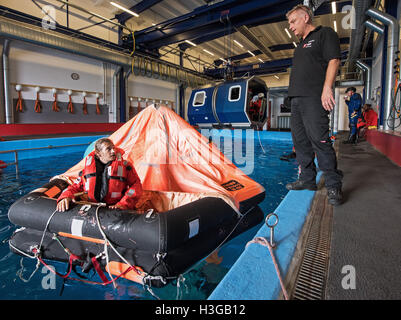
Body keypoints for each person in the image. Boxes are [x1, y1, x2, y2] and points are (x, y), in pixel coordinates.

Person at [285, 4, 344, 206]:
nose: (291, 27)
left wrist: (327, 88)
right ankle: (308, 180)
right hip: (296, 100)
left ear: (306, 18)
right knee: (300, 142)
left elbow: (334, 60)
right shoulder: (299, 46)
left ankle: (334, 185)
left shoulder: (324, 34)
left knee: (320, 141)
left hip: (313, 98)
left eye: (293, 21)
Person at [57, 138, 142, 212]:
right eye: (108, 149)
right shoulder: (87, 170)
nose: (113, 151)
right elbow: (75, 186)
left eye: (113, 148)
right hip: (94, 209)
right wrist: (65, 196)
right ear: (98, 153)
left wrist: (123, 204)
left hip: (117, 208)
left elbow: (135, 186)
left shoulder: (126, 166)